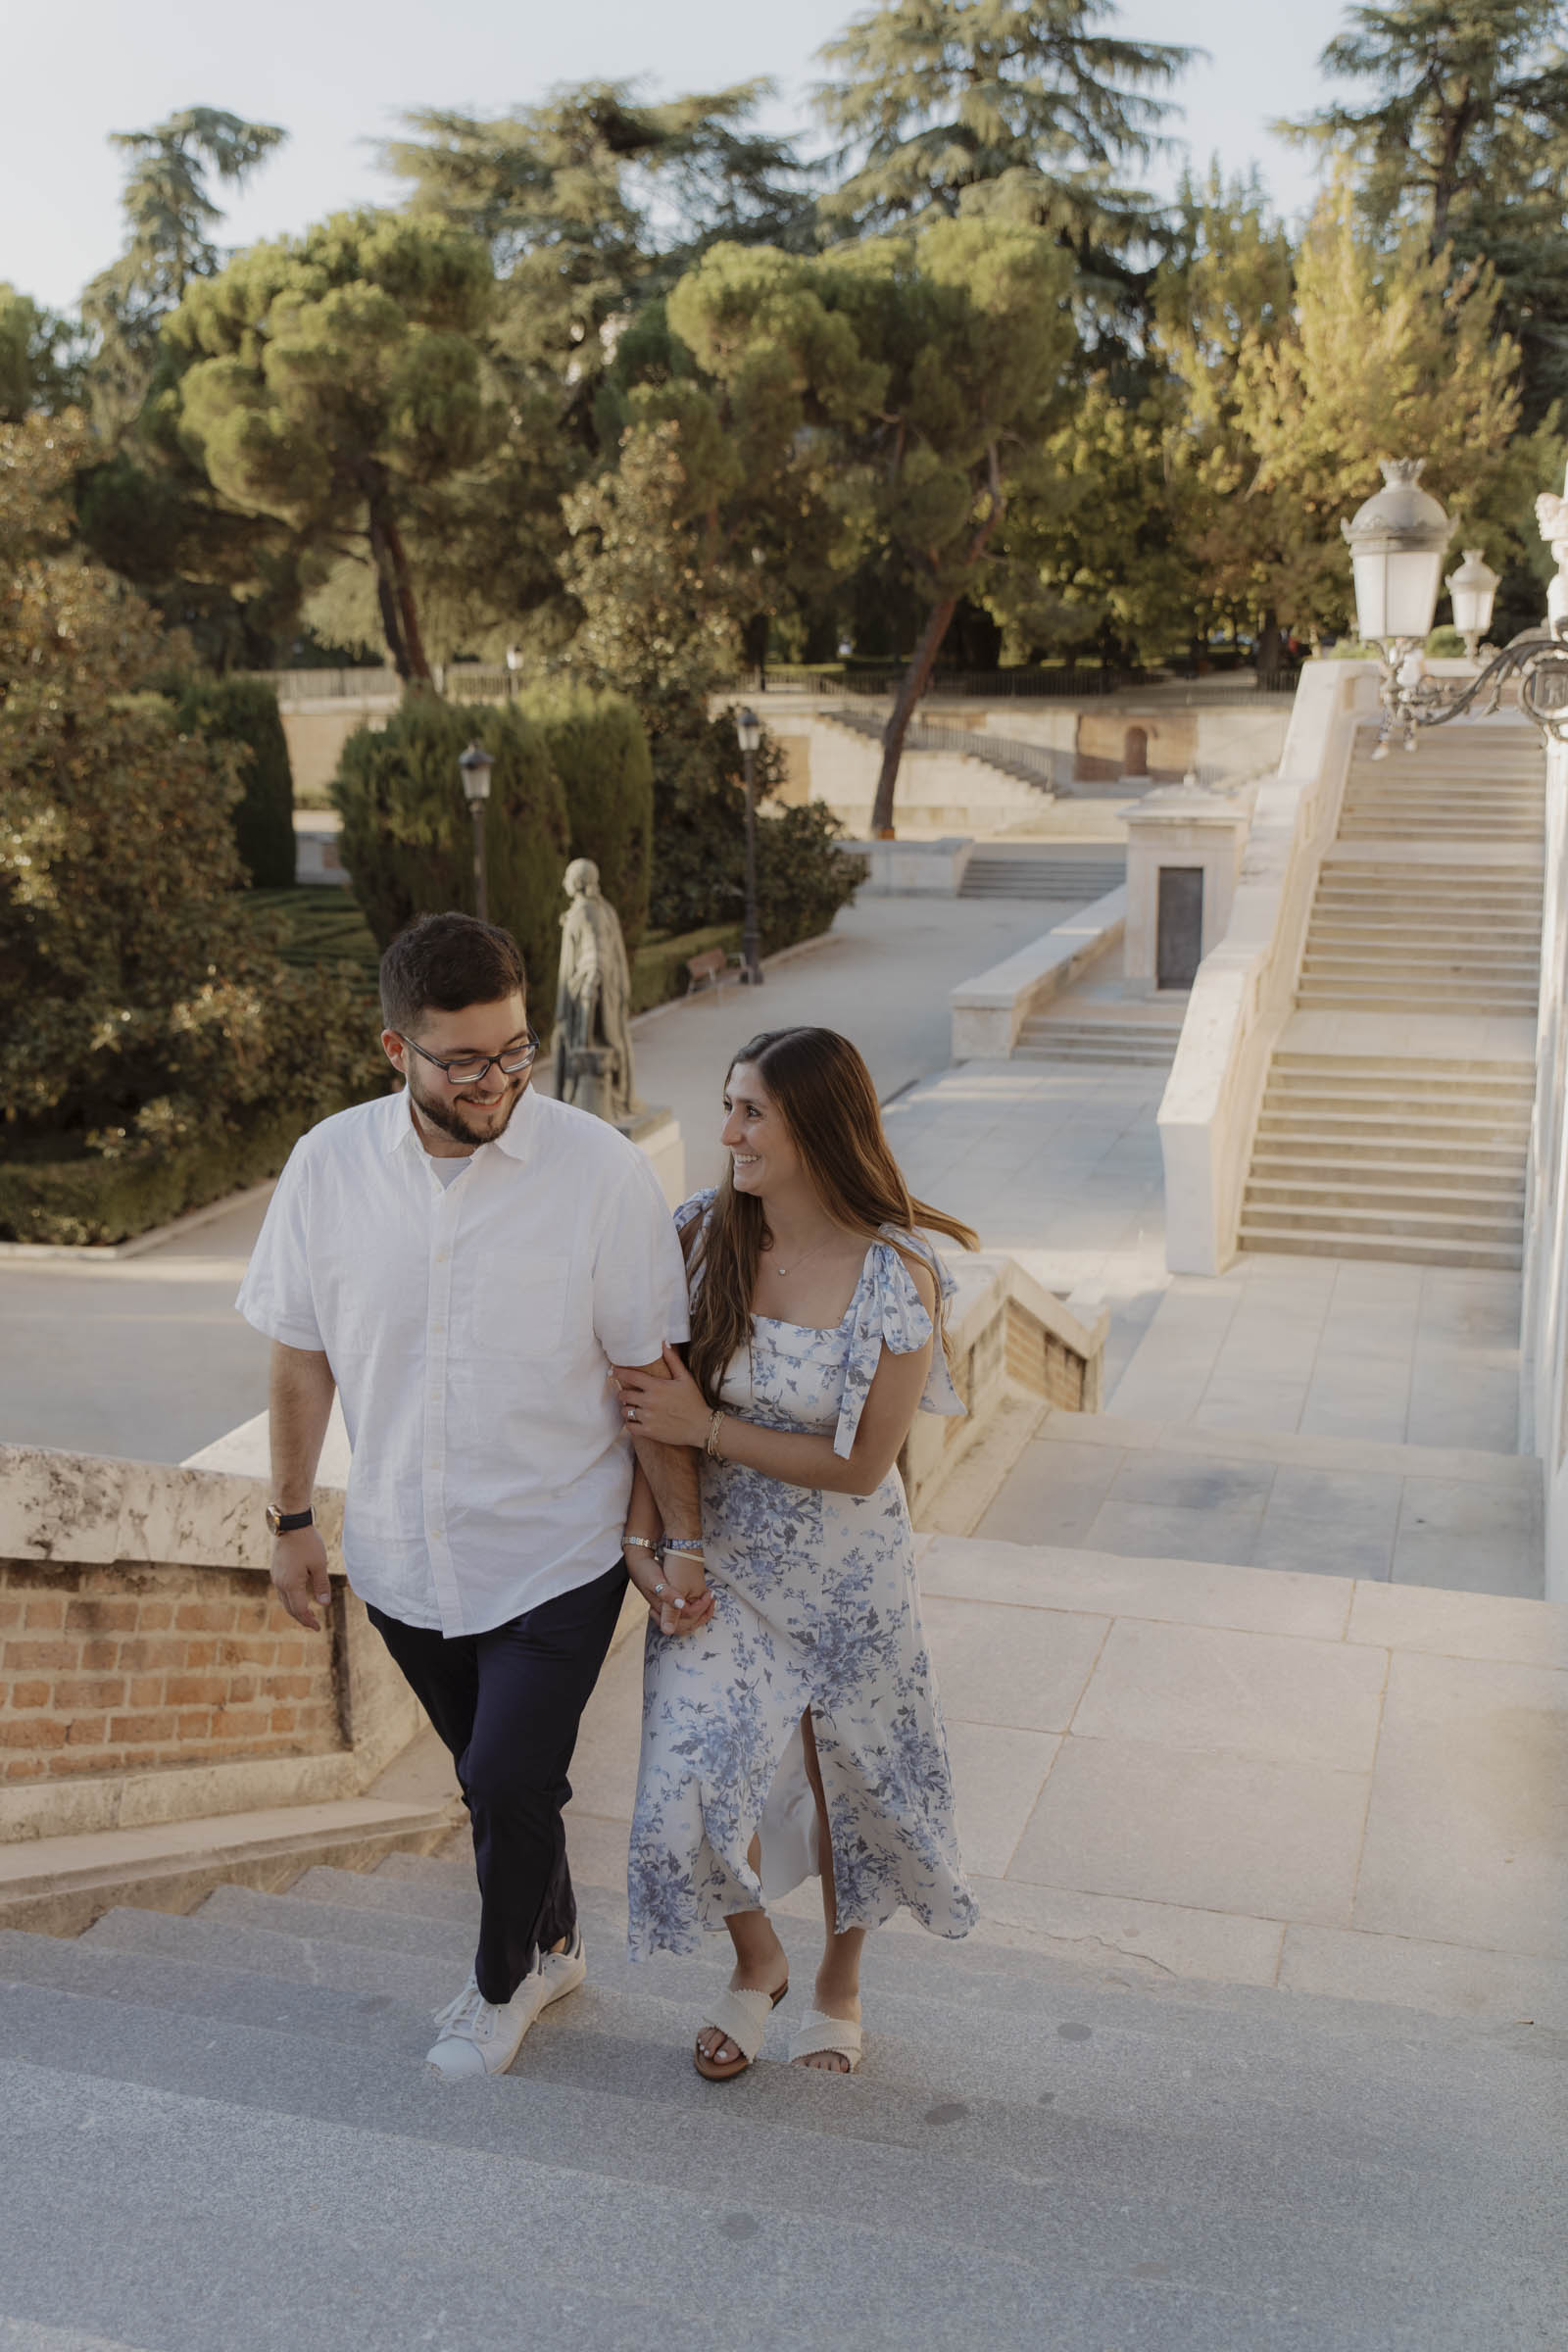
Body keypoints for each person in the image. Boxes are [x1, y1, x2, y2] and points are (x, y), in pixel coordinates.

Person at [237, 910, 710, 2082]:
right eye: (464, 1059)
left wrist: (683, 1539)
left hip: (560, 1548)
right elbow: (301, 1354)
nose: (498, 1079)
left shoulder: (598, 1173)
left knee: (506, 1778)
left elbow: (647, 1376)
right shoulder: (326, 1167)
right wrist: (293, 1519)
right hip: (401, 1554)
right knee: (493, 1782)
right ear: (396, 1052)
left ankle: (499, 1986)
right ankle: (552, 1935)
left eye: (515, 1050)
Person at [614, 1026, 979, 2079]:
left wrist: (706, 1429)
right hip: (718, 1569)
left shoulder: (897, 1278)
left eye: (750, 1112)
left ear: (816, 1126)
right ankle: (757, 1961)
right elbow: (646, 1405)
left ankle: (838, 1983)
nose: (726, 1133)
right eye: (728, 1106)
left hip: (849, 1581)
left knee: (849, 1786)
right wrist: (650, 1543)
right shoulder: (694, 1236)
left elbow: (865, 1466)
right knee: (681, 1787)